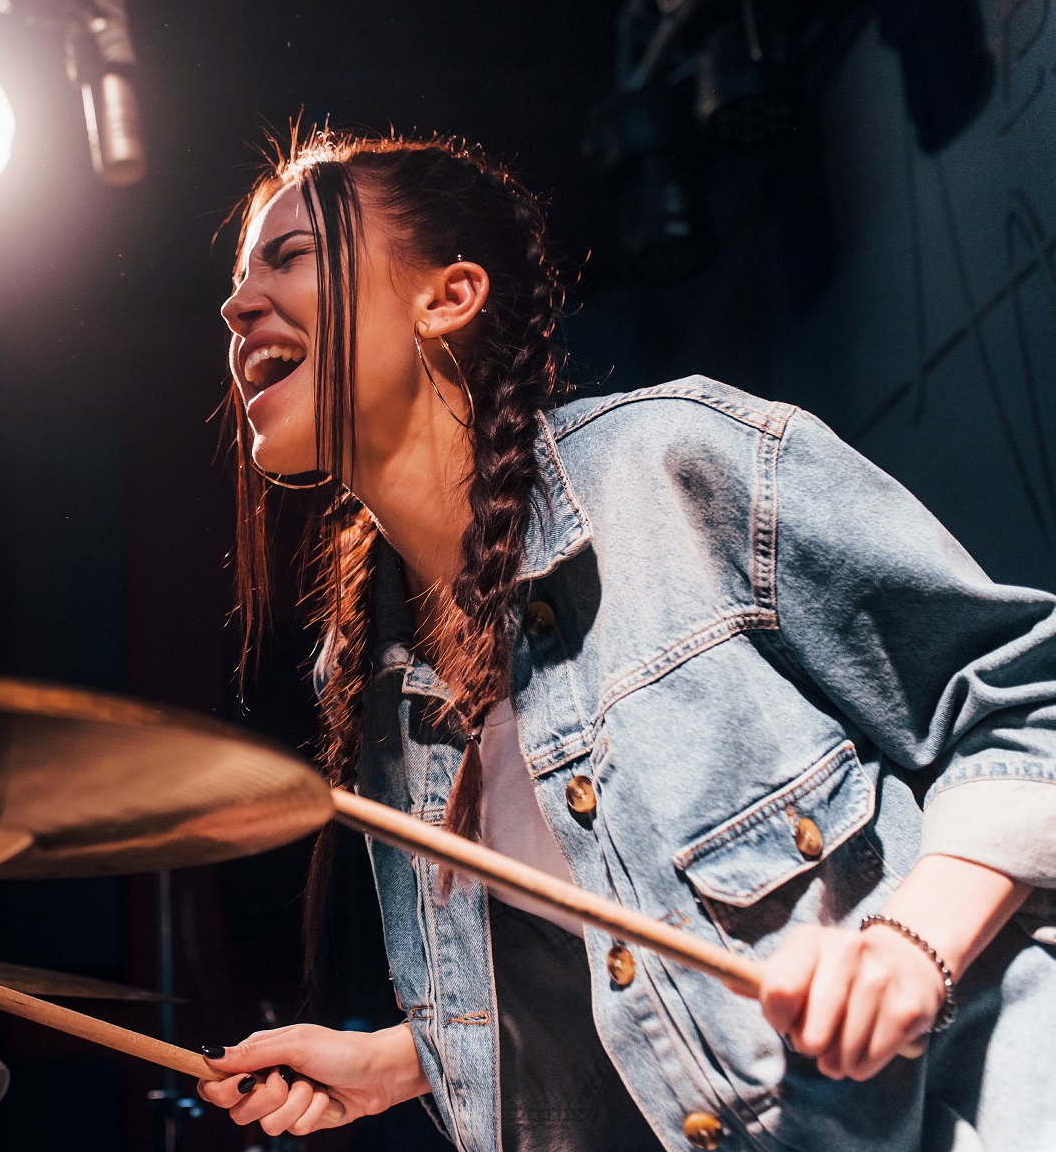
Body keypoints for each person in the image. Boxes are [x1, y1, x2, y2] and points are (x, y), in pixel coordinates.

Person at [195, 132, 1056, 1151]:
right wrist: (401, 1060)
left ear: (447, 295)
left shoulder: (673, 464)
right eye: (240, 275)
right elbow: (605, 958)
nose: (235, 303)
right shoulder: (370, 673)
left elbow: (1026, 706)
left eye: (288, 256)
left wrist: (911, 942)